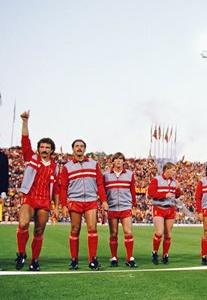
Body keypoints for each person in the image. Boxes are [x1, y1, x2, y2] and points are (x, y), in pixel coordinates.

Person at [14, 111, 58, 271]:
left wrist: (57, 206)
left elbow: (57, 189)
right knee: (23, 223)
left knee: (39, 231)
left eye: (47, 147)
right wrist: (25, 122)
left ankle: (34, 260)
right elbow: (25, 141)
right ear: (38, 149)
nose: (44, 149)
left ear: (52, 150)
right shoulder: (31, 158)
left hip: (45, 201)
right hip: (30, 198)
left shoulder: (55, 167)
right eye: (42, 147)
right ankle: (21, 254)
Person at [59, 139, 108, 270]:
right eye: (77, 146)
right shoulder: (67, 167)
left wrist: (103, 200)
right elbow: (63, 188)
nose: (79, 148)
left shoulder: (93, 164)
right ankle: (74, 259)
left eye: (81, 146)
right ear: (73, 149)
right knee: (75, 230)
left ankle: (93, 259)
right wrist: (63, 205)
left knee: (92, 228)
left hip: (91, 200)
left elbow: (100, 184)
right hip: (75, 201)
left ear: (85, 149)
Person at [103, 152, 137, 267]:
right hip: (112, 207)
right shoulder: (106, 175)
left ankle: (130, 258)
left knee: (128, 232)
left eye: (120, 159)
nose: (118, 161)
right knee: (113, 233)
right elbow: (102, 191)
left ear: (124, 161)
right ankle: (114, 257)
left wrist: (133, 205)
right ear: (112, 162)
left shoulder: (130, 174)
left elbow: (133, 191)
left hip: (125, 207)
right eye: (116, 159)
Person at [147, 162, 182, 264]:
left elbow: (176, 195)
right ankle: (154, 252)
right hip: (159, 207)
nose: (174, 172)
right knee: (159, 232)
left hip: (170, 209)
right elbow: (151, 193)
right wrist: (164, 194)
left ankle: (165, 255)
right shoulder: (156, 180)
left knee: (168, 234)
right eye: (173, 170)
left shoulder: (174, 182)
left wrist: (178, 189)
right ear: (166, 169)